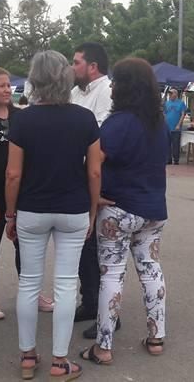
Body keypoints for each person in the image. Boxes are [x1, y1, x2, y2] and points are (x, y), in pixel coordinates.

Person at [5, 50, 101, 380]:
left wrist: (9, 214)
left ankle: (28, 356)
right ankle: (61, 362)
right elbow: (94, 172)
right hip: (73, 209)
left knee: (29, 283)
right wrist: (91, 211)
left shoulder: (22, 119)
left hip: (31, 209)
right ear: (65, 77)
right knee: (65, 285)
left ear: (34, 79)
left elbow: (13, 174)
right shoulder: (85, 119)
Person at [80, 58, 169, 365]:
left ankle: (103, 347)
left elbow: (95, 162)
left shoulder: (118, 123)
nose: (113, 86)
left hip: (118, 208)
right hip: (153, 209)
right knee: (151, 269)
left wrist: (94, 197)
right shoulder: (159, 124)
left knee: (112, 275)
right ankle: (156, 336)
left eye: (116, 81)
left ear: (125, 86)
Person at [0, 68, 54, 322]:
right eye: (1, 86)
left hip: (22, 191)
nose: (8, 89)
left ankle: (31, 292)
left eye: (9, 85)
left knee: (27, 246)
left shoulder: (20, 117)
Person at [69, 42, 116, 339]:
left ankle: (107, 313)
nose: (72, 67)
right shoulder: (75, 93)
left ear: (93, 66)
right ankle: (90, 302)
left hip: (96, 176)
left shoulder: (107, 92)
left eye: (76, 62)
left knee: (99, 249)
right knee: (82, 247)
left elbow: (101, 137)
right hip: (74, 176)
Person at [163, 88, 187, 165]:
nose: (170, 95)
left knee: (175, 144)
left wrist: (179, 124)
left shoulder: (181, 103)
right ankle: (168, 159)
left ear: (176, 94)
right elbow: (164, 113)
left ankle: (176, 160)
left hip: (176, 127)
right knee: (167, 144)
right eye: (169, 94)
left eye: (172, 93)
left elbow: (183, 114)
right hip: (167, 127)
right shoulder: (167, 103)